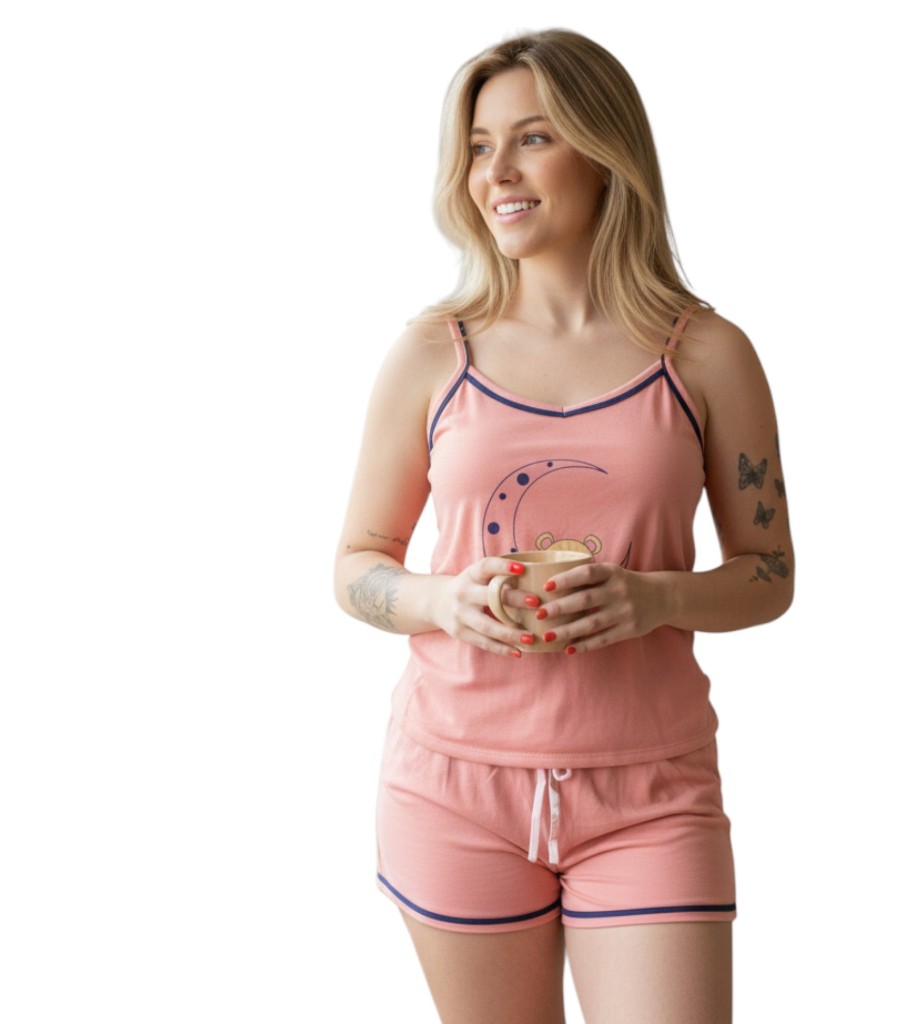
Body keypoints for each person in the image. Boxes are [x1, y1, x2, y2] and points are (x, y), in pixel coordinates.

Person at [334, 28, 793, 1024]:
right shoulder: (430, 354)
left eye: (532, 138)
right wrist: (443, 601)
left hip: (650, 795)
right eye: (478, 146)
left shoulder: (707, 355)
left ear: (604, 151)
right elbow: (356, 564)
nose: (494, 171)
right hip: (452, 788)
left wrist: (654, 599)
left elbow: (769, 573)